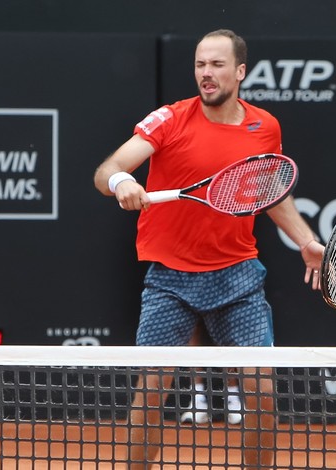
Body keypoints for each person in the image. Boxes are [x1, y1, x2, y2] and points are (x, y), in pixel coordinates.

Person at [93, 29, 323, 469]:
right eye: (200, 64)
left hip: (237, 274)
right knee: (152, 387)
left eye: (217, 65)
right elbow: (110, 169)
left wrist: (306, 241)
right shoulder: (169, 119)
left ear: (239, 71)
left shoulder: (264, 127)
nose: (206, 73)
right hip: (170, 277)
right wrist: (122, 182)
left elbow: (268, 191)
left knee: (260, 388)